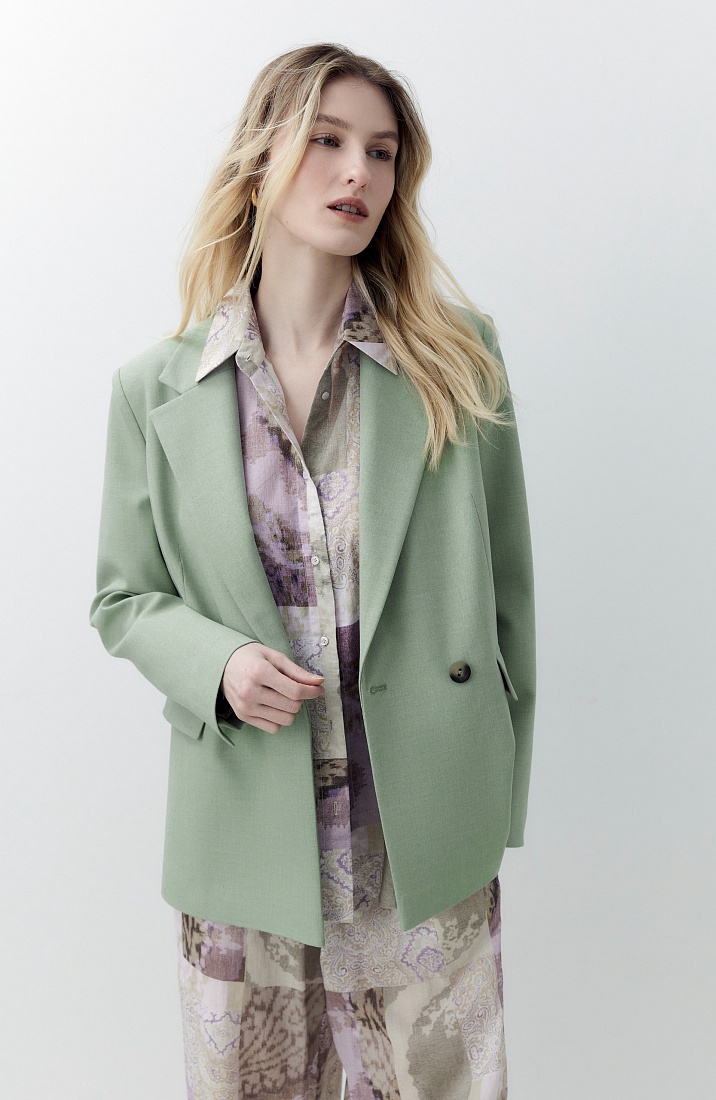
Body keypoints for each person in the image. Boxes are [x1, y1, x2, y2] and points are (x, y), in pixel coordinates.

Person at [90, 41, 535, 1099]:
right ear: (260, 164)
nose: (357, 173)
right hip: (246, 829)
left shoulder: (456, 360)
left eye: (381, 151)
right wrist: (218, 663)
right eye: (327, 141)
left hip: (419, 833)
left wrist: (495, 801)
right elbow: (123, 595)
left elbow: (509, 594)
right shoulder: (157, 388)